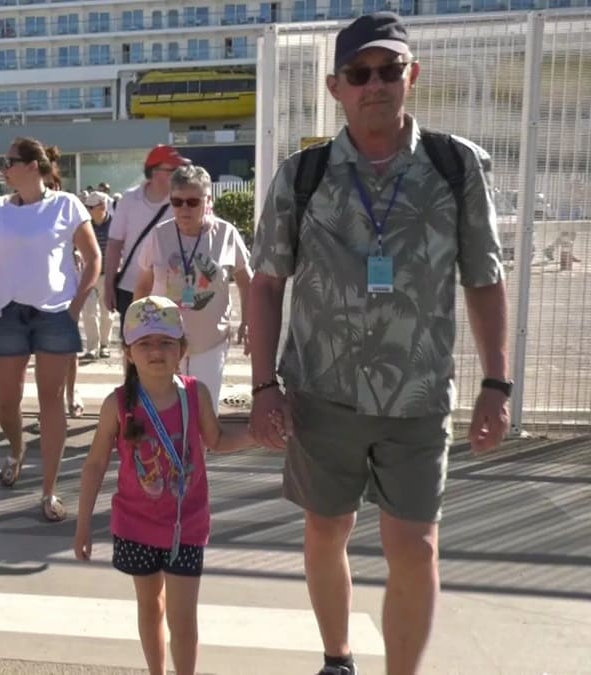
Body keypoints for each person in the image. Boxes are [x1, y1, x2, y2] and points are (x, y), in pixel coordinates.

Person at [248, 13, 509, 675]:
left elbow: (484, 279)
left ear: (410, 76)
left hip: (418, 395)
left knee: (416, 547)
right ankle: (337, 656)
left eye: (389, 69)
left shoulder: (456, 168)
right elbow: (267, 282)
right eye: (360, 73)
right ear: (337, 87)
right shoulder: (303, 176)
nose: (376, 84)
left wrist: (496, 383)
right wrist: (263, 385)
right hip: (322, 391)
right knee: (325, 530)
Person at [73, 296, 252, 675]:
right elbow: (94, 465)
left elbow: (217, 440)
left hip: (186, 526)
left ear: (182, 350)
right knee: (149, 604)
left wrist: (259, 435)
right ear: (129, 353)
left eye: (166, 343)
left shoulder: (194, 394)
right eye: (145, 344)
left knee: (183, 618)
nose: (156, 351)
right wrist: (83, 523)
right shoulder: (118, 405)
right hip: (135, 526)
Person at [0, 138, 100, 522]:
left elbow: (94, 257)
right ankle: (16, 449)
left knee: (51, 402)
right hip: (9, 312)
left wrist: (76, 305)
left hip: (55, 313)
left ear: (33, 166)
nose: (4, 169)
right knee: (6, 403)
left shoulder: (66, 204)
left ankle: (49, 490)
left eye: (10, 162)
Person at [133, 165, 252, 410]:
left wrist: (248, 321)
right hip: (164, 342)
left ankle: (200, 451)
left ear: (207, 200)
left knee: (204, 414)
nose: (184, 208)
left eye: (192, 201)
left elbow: (245, 280)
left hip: (210, 341)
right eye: (177, 202)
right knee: (165, 413)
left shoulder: (226, 234)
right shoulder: (158, 236)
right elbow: (143, 286)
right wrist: (135, 331)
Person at [104, 146, 191, 320]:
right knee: (134, 345)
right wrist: (108, 287)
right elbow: (114, 244)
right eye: (174, 170)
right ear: (154, 172)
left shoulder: (184, 202)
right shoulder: (128, 200)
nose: (180, 175)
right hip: (131, 288)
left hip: (174, 292)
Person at [80, 191, 115, 360]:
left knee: (107, 312)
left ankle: (104, 345)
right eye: (89, 207)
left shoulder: (114, 224)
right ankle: (92, 347)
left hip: (108, 274)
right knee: (88, 311)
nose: (88, 210)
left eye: (92, 207)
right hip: (88, 274)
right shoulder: (85, 225)